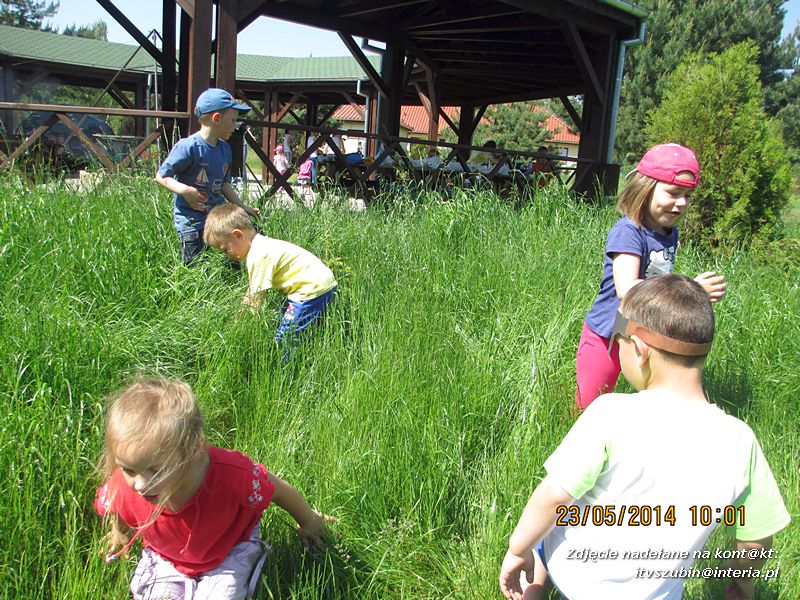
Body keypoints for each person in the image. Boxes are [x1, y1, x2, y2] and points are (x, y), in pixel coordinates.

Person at [499, 274, 790, 600]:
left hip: (579, 582)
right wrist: (742, 583)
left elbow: (553, 496)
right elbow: (756, 538)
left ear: (639, 350)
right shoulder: (740, 441)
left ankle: (534, 591)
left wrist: (515, 550)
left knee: (543, 534)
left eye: (618, 339)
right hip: (657, 593)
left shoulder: (609, 413)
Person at [95, 378, 335, 600]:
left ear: (193, 450)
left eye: (156, 471)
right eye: (128, 470)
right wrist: (121, 531)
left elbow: (275, 488)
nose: (139, 484)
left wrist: (307, 519)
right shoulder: (127, 484)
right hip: (165, 556)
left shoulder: (232, 476)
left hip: (230, 547)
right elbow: (115, 504)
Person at [576, 143, 726, 409]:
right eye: (673, 193)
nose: (681, 203)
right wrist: (691, 289)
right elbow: (627, 289)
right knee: (590, 403)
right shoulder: (629, 231)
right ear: (646, 188)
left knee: (652, 401)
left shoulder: (669, 233)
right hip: (608, 333)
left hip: (645, 334)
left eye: (688, 196)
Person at [203, 204, 337, 358]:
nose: (227, 255)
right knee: (297, 324)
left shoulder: (258, 255)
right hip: (321, 283)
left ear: (238, 235)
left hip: (310, 290)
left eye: (225, 249)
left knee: (285, 338)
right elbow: (253, 289)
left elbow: (255, 299)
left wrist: (238, 328)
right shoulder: (262, 245)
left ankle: (286, 370)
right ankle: (311, 350)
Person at [155, 88, 260, 265]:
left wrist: (242, 207)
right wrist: (184, 190)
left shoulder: (225, 149)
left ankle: (231, 284)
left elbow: (224, 185)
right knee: (194, 265)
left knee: (234, 256)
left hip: (217, 218)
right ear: (217, 118)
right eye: (233, 120)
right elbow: (161, 175)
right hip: (191, 221)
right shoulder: (189, 147)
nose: (236, 126)